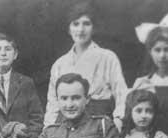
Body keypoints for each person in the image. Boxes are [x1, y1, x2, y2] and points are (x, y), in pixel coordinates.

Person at [44, 1, 128, 130]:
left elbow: (121, 94)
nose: (81, 29)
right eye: (76, 24)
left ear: (94, 28)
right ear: (69, 29)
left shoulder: (107, 57)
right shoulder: (60, 64)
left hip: (98, 123)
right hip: (66, 125)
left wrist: (118, 121)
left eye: (86, 24)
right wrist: (49, 129)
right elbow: (53, 103)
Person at [0, 33, 44, 138]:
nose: (3, 53)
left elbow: (36, 119)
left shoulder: (26, 83)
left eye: (8, 49)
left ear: (15, 54)